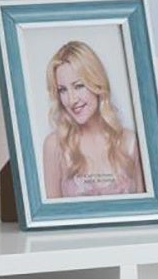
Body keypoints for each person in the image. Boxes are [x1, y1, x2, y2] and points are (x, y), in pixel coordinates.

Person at [38, 39, 146, 199]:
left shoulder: (131, 142)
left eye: (79, 86)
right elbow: (52, 218)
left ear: (97, 83)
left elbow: (146, 213)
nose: (72, 99)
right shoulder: (54, 146)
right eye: (62, 90)